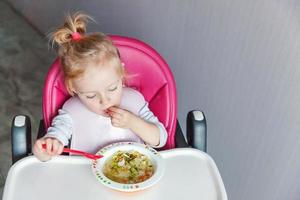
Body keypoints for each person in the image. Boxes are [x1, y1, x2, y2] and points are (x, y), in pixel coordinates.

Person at [32, 12, 167, 161]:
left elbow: (160, 139)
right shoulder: (71, 112)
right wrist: (47, 147)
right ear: (73, 89)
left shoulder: (135, 101)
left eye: (112, 88)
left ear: (121, 74)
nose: (105, 100)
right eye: (91, 95)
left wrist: (132, 122)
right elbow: (47, 152)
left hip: (136, 178)